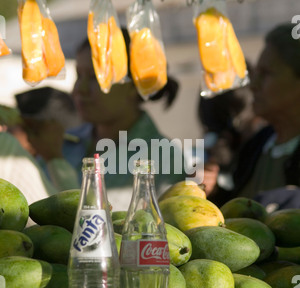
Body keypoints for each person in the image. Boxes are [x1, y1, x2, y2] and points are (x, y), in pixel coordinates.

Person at [27, 31, 186, 210]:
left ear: (134, 85)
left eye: (96, 77)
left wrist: (54, 160)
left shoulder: (161, 157)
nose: (80, 89)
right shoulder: (63, 142)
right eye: (79, 75)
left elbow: (93, 224)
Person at [204, 22, 300, 211]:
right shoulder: (257, 145)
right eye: (256, 73)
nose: (253, 85)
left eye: (266, 74)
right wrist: (214, 192)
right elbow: (244, 217)